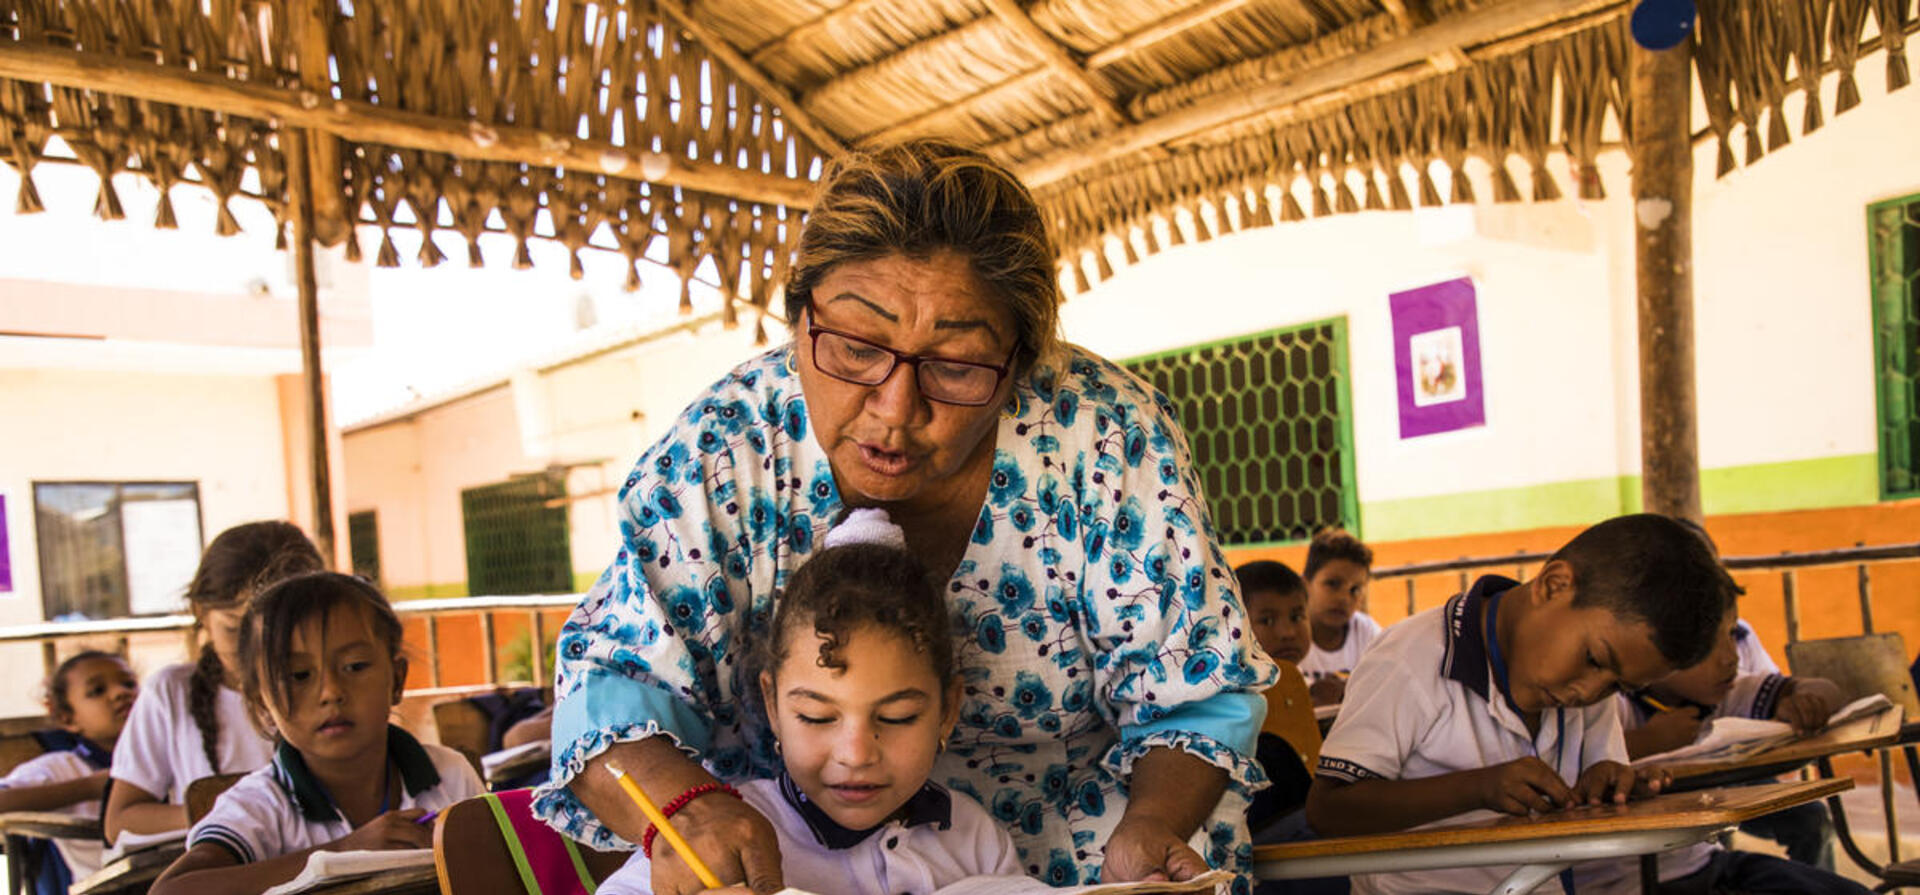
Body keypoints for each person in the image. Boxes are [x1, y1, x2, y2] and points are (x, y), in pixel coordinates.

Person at [537, 140, 1276, 895]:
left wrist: (1150, 828)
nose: (895, 410)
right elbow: (610, 686)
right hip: (795, 867)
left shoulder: (1105, 436)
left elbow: (1199, 692)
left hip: (1080, 866)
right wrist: (686, 811)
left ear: (1019, 365)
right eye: (857, 348)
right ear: (799, 323)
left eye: (955, 365)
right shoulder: (730, 447)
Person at [604, 510, 1061, 894]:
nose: (856, 754)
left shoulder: (976, 840)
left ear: (947, 711)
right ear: (773, 706)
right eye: (816, 716)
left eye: (896, 717)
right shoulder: (730, 838)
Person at [1304, 514, 1737, 895]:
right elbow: (1329, 808)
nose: (1589, 692)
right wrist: (1480, 788)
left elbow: (1591, 794)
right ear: (1554, 585)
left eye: (1617, 686)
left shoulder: (1592, 685)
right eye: (1594, 660)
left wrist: (1610, 786)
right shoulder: (1411, 658)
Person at [152, 572, 484, 895]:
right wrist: (343, 853)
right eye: (299, 675)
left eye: (355, 666)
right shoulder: (260, 807)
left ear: (396, 680)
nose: (331, 692)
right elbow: (170, 890)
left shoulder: (449, 775)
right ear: (261, 705)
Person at [105, 521, 324, 845]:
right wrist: (240, 811)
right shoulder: (170, 693)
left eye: (279, 633)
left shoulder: (332, 690)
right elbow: (120, 821)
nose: (256, 651)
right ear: (200, 613)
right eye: (235, 631)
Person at [1620, 611, 1843, 871]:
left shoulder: (1729, 691)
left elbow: (1824, 689)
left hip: (1728, 788)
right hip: (1656, 828)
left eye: (1731, 636)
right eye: (1707, 646)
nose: (1732, 658)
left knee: (1809, 819)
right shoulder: (1617, 702)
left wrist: (1806, 704)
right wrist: (1650, 741)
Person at [0, 651, 140, 889]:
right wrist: (89, 787)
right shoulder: (62, 767)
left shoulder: (169, 755)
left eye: (129, 684)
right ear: (67, 719)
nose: (121, 693)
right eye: (97, 691)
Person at [1232, 561, 1313, 835]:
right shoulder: (1232, 696)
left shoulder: (1303, 687)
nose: (1288, 632)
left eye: (1297, 616)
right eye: (1267, 620)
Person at [1295, 530, 1376, 706]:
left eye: (1355, 590)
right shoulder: (1288, 634)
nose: (1344, 598)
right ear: (1305, 584)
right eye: (1332, 584)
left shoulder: (1367, 632)